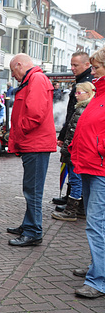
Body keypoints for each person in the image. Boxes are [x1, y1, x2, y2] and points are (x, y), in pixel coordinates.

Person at [6, 53, 57, 247]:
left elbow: (34, 114)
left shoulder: (35, 79)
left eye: (13, 71)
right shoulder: (35, 79)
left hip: (35, 144)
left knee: (32, 190)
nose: (13, 76)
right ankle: (29, 225)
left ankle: (34, 231)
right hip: (35, 144)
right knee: (31, 189)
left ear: (19, 65)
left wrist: (19, 132)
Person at [68, 47, 105, 298]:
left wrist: (99, 149)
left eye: (97, 67)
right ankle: (97, 268)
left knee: (96, 225)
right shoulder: (99, 93)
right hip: (91, 165)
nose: (93, 72)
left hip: (99, 168)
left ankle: (98, 280)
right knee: (96, 224)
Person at [54, 51, 94, 206]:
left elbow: (73, 114)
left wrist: (64, 136)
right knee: (71, 167)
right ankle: (71, 196)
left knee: (75, 169)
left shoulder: (86, 83)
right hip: (73, 133)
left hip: (77, 137)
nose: (72, 68)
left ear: (86, 65)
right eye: (71, 64)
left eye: (75, 65)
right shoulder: (81, 80)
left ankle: (75, 202)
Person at [52, 81, 95, 221]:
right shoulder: (84, 108)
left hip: (75, 153)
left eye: (79, 93)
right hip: (76, 152)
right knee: (78, 180)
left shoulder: (82, 110)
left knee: (75, 181)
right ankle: (81, 209)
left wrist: (66, 149)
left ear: (88, 94)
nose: (76, 96)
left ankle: (71, 211)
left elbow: (74, 134)